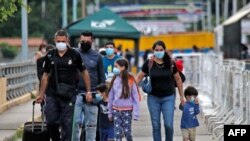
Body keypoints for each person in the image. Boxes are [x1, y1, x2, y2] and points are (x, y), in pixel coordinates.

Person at [35, 30, 91, 141]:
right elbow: (45, 76)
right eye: (58, 41)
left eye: (63, 41)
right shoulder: (50, 55)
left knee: (67, 125)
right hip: (52, 94)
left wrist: (88, 91)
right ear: (55, 41)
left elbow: (84, 72)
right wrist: (41, 95)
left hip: (68, 95)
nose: (61, 43)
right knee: (50, 121)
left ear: (67, 41)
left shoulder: (74, 55)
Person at [136, 40, 185, 141]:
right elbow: (139, 77)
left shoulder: (171, 63)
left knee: (168, 125)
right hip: (153, 98)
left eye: (161, 50)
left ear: (165, 50)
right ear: (153, 50)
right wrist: (130, 91)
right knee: (156, 125)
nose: (159, 51)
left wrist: (182, 97)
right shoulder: (149, 63)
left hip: (168, 97)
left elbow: (178, 79)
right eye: (157, 50)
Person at [73, 31, 106, 141]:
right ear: (79, 40)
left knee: (91, 126)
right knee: (75, 123)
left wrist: (101, 95)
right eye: (82, 41)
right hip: (76, 94)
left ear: (92, 41)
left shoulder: (97, 56)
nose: (85, 43)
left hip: (92, 95)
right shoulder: (74, 54)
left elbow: (102, 78)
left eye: (87, 41)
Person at [108, 58, 140, 141]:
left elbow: (135, 97)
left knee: (127, 133)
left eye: (116, 66)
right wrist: (110, 113)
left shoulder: (130, 80)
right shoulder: (114, 79)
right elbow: (110, 97)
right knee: (117, 133)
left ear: (122, 67)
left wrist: (136, 113)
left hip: (127, 111)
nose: (114, 68)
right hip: (116, 111)